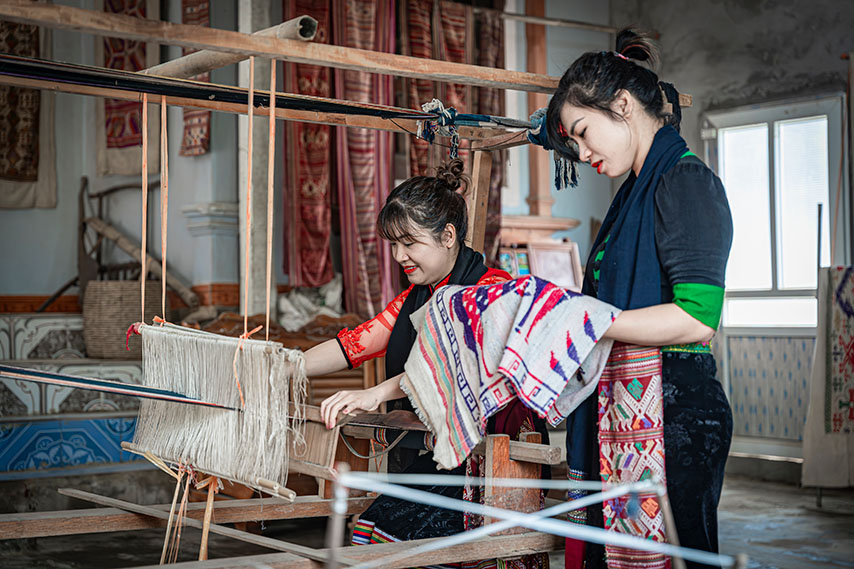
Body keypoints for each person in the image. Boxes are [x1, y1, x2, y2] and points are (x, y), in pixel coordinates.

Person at [541, 29, 734, 568]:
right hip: (632, 408)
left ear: (622, 104)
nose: (581, 154)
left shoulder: (685, 181)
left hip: (674, 414)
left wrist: (590, 321)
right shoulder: (632, 196)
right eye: (571, 145)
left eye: (582, 132)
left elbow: (697, 319)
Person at [302, 158, 549, 569]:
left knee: (396, 544)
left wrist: (375, 393)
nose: (399, 255)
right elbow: (354, 345)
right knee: (371, 533)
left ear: (448, 235)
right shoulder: (417, 298)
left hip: (491, 465)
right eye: (393, 244)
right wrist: (279, 366)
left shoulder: (492, 293)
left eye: (409, 243)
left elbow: (453, 364)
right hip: (444, 458)